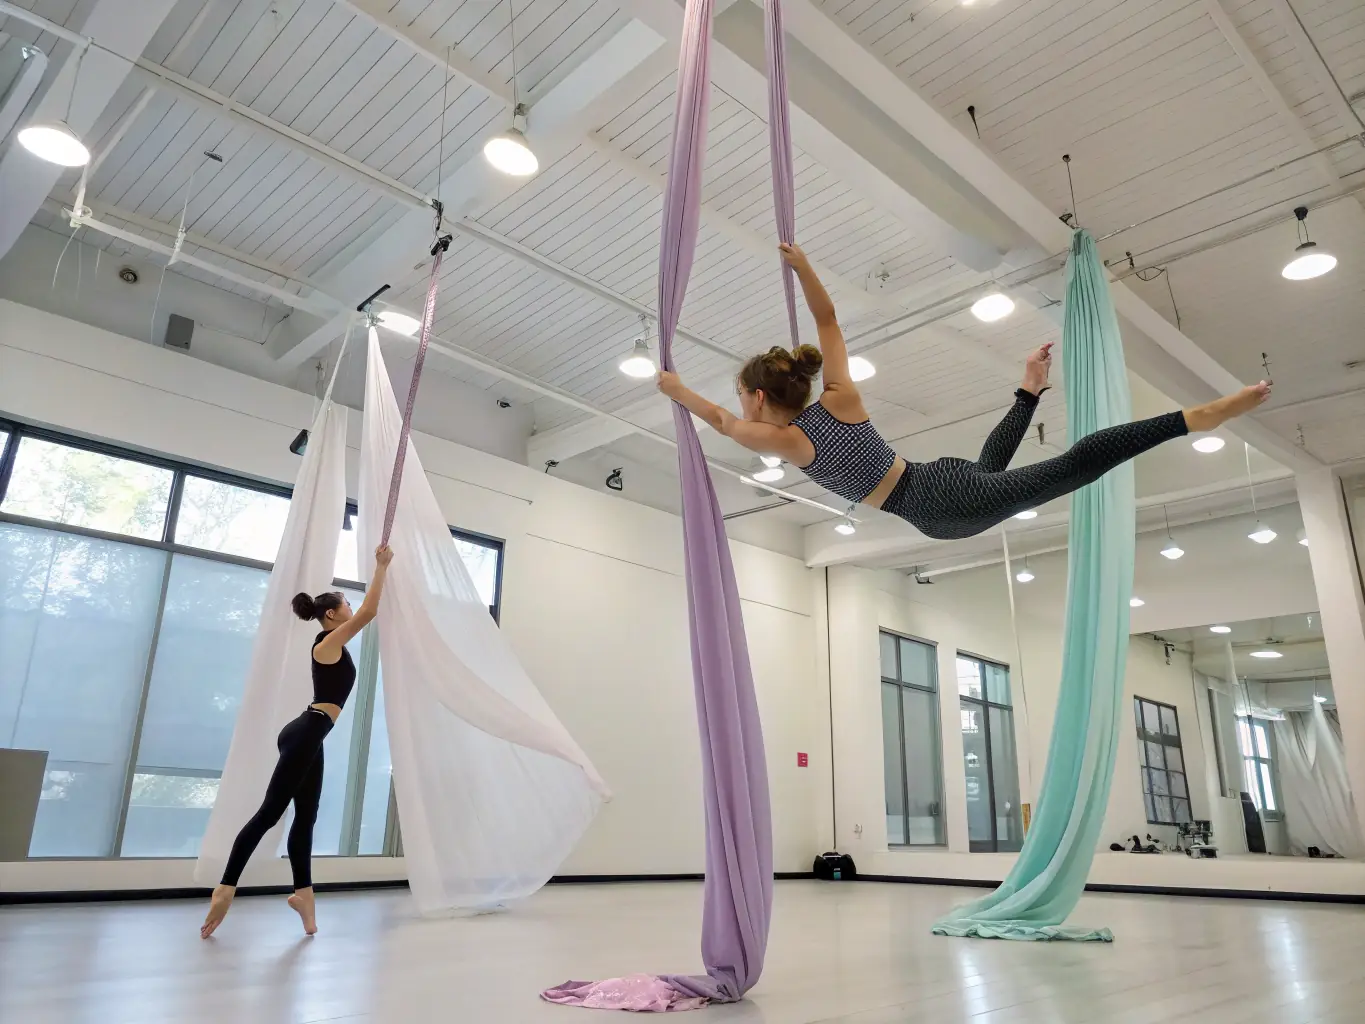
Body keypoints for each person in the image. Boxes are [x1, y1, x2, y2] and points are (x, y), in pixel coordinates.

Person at [657, 243, 1270, 541]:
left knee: (1074, 463)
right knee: (1024, 471)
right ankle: (1032, 391)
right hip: (940, 492)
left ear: (759, 400)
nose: (741, 408)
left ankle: (1195, 418)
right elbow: (830, 324)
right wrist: (805, 268)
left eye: (744, 397)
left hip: (938, 506)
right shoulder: (839, 398)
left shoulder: (788, 441)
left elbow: (719, 421)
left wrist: (675, 387)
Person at [200, 544, 394, 939]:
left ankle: (304, 896)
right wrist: (380, 566)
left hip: (311, 731)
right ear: (330, 615)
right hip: (307, 730)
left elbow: (365, 614)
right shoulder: (326, 645)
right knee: (270, 813)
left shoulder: (331, 646)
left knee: (306, 816)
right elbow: (372, 612)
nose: (351, 606)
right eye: (345, 602)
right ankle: (225, 888)